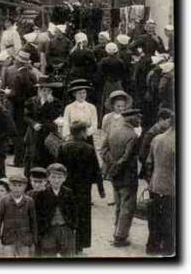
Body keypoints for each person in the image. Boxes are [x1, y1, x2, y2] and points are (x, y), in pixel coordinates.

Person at [56, 121, 104, 253]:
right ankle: (80, 245)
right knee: (83, 217)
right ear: (82, 132)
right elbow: (96, 171)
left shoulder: (63, 147)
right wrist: (101, 189)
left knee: (68, 215)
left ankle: (67, 244)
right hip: (83, 189)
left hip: (66, 188)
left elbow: (58, 168)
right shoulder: (88, 148)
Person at [101, 108, 141, 247]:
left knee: (118, 205)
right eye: (138, 118)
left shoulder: (112, 130)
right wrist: (117, 166)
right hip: (127, 176)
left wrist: (112, 166)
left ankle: (116, 232)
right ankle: (120, 236)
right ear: (132, 119)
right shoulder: (133, 136)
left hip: (114, 175)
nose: (139, 120)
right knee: (127, 207)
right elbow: (127, 157)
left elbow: (103, 150)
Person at [144, 119, 175, 256]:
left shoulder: (157, 138)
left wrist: (151, 179)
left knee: (155, 218)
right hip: (172, 186)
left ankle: (152, 246)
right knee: (170, 218)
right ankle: (168, 248)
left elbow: (149, 162)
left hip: (155, 184)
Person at [34, 163, 77, 257]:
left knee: (68, 254)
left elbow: (74, 211)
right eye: (53, 177)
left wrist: (73, 226)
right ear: (48, 178)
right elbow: (38, 214)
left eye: (59, 177)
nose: (56, 180)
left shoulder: (68, 193)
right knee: (48, 253)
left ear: (64, 178)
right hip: (49, 229)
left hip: (65, 228)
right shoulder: (42, 194)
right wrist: (41, 230)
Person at [23, 77, 63, 177]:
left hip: (48, 133)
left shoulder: (56, 102)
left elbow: (56, 116)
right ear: (39, 90)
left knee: (48, 156)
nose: (45, 93)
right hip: (34, 133)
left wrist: (49, 104)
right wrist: (33, 124)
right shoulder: (32, 101)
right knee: (33, 157)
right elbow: (26, 116)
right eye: (43, 90)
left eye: (48, 91)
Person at [0, 173, 37, 258]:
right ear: (10, 186)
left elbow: (33, 222)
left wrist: (34, 241)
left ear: (25, 187)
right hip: (8, 239)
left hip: (25, 240)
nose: (17, 188)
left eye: (20, 185)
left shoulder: (29, 201)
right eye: (14, 185)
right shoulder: (4, 201)